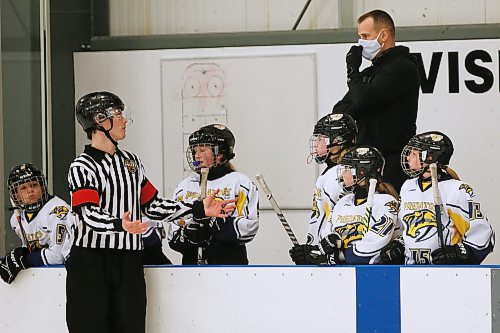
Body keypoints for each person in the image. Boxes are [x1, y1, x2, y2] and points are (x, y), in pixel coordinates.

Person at [66, 91, 235, 333]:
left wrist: (197, 209)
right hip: (91, 261)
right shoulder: (82, 166)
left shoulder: (131, 162)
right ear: (99, 120)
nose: (124, 120)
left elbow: (152, 204)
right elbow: (86, 213)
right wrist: (118, 224)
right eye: (118, 114)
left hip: (129, 260)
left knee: (131, 327)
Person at [331, 9, 420, 192]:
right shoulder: (370, 73)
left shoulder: (403, 67)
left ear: (384, 35)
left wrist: (352, 71)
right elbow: (342, 109)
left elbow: (363, 100)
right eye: (359, 36)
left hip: (391, 163)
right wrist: (360, 89)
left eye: (365, 36)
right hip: (365, 163)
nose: (361, 42)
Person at [380, 131, 495, 265]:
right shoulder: (408, 186)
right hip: (410, 272)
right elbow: (409, 228)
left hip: (445, 274)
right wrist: (399, 245)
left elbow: (483, 235)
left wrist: (461, 253)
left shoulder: (456, 190)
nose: (408, 158)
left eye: (414, 154)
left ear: (430, 158)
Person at [168, 124, 259, 265]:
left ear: (220, 153)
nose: (197, 155)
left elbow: (249, 227)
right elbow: (172, 236)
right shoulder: (185, 186)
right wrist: (188, 235)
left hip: (229, 267)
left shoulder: (239, 183)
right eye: (194, 150)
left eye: (203, 150)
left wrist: (218, 225)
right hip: (191, 270)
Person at [289, 113, 358, 265]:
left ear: (337, 142)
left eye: (321, 139)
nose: (317, 143)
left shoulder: (343, 175)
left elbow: (345, 221)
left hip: (337, 256)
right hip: (325, 254)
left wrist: (318, 251)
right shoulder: (330, 173)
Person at [0, 163, 71, 284]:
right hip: (42, 277)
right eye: (23, 188)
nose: (30, 191)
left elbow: (57, 256)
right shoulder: (16, 219)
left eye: (34, 185)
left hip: (67, 275)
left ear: (42, 187)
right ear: (15, 194)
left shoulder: (57, 211)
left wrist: (25, 259)